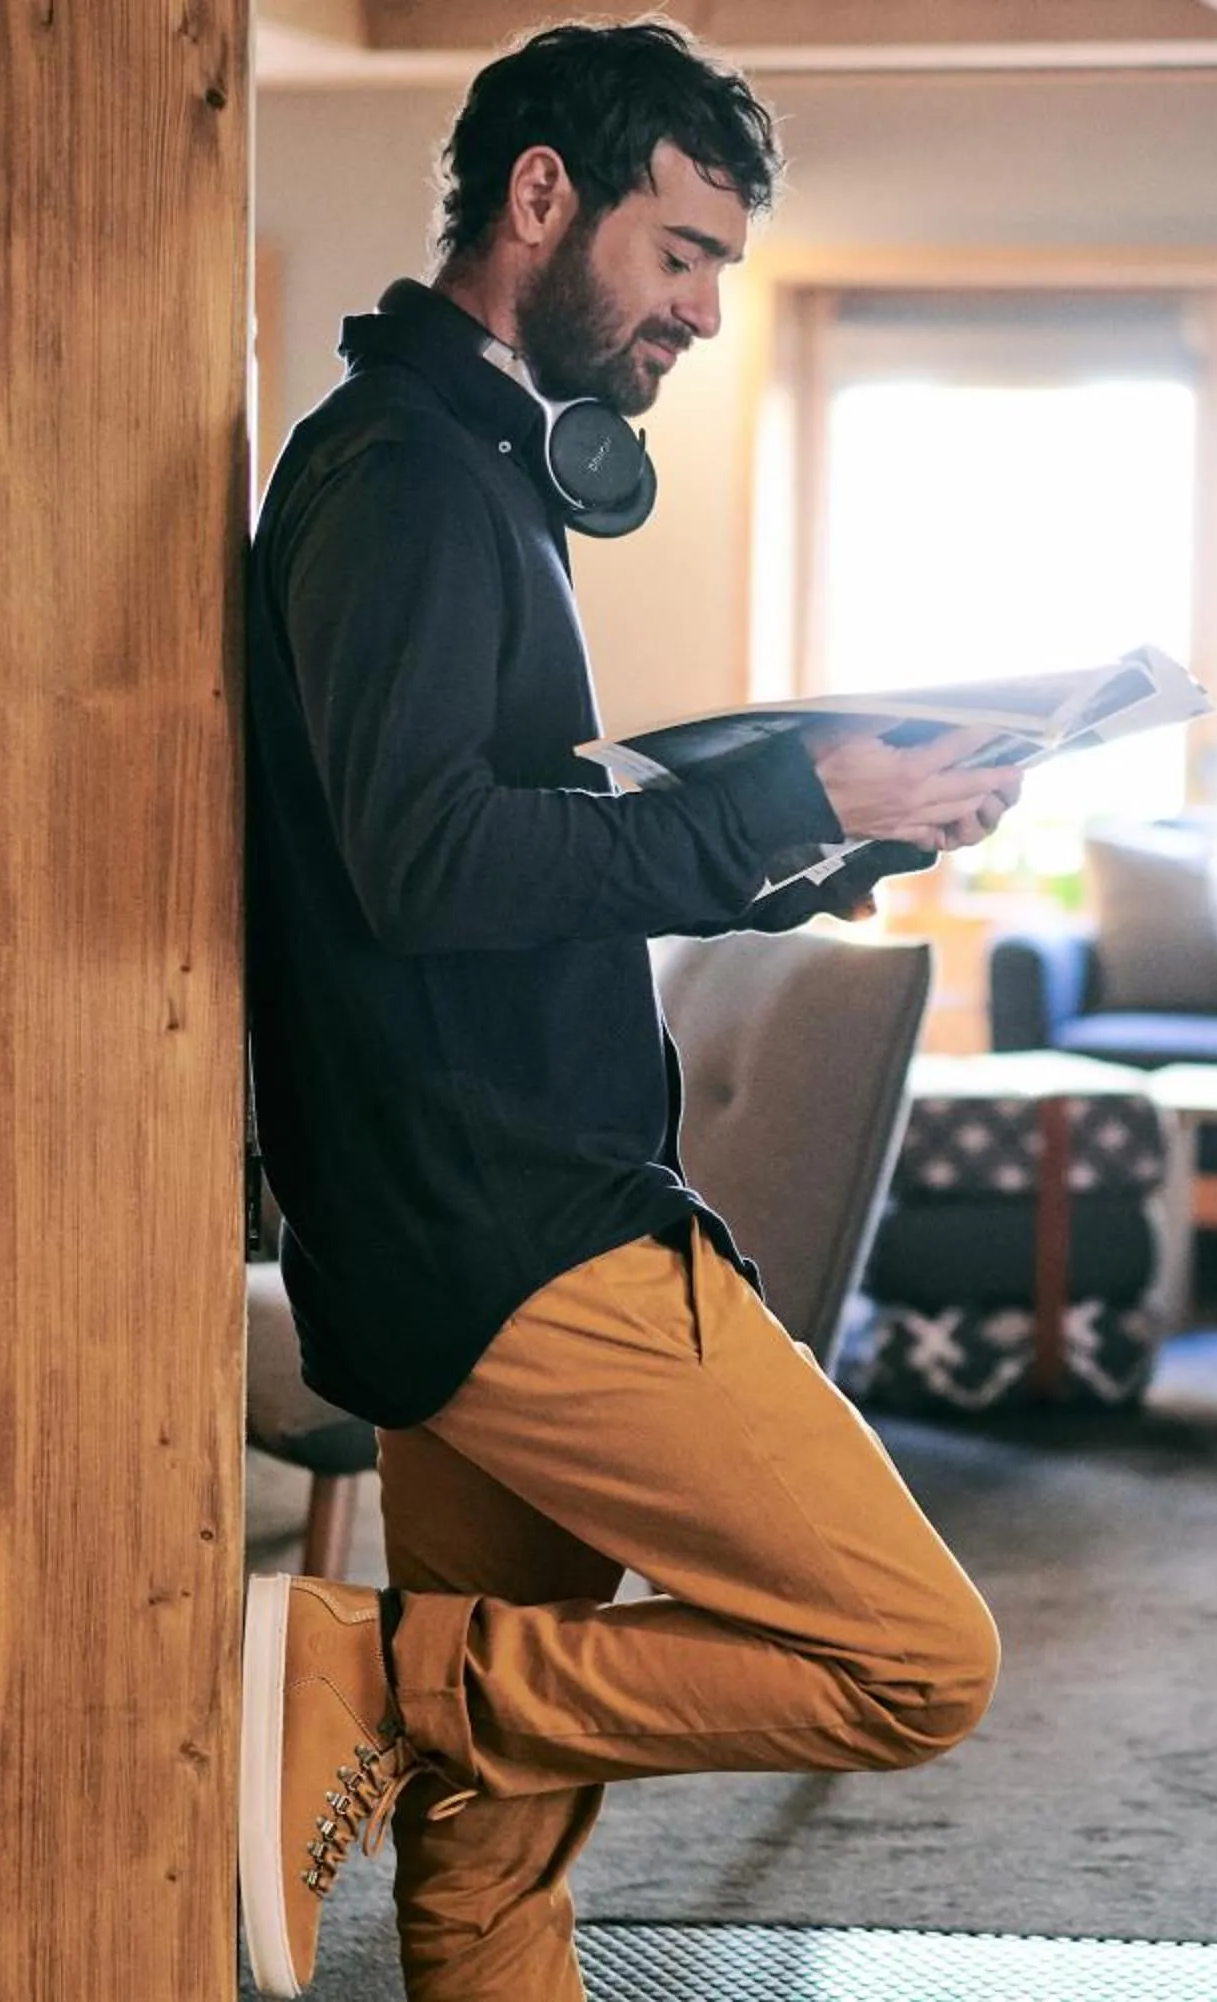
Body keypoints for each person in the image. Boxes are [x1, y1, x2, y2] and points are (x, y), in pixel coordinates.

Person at [237, 19, 1023, 2000]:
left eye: (723, 277)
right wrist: (787, 795)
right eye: (679, 254)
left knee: (492, 1846)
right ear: (538, 197)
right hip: (519, 1230)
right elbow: (427, 867)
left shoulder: (476, 468)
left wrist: (840, 830)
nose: (696, 311)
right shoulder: (405, 476)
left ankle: (414, 1689)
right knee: (915, 1655)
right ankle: (355, 1663)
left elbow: (531, 853)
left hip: (472, 1216)